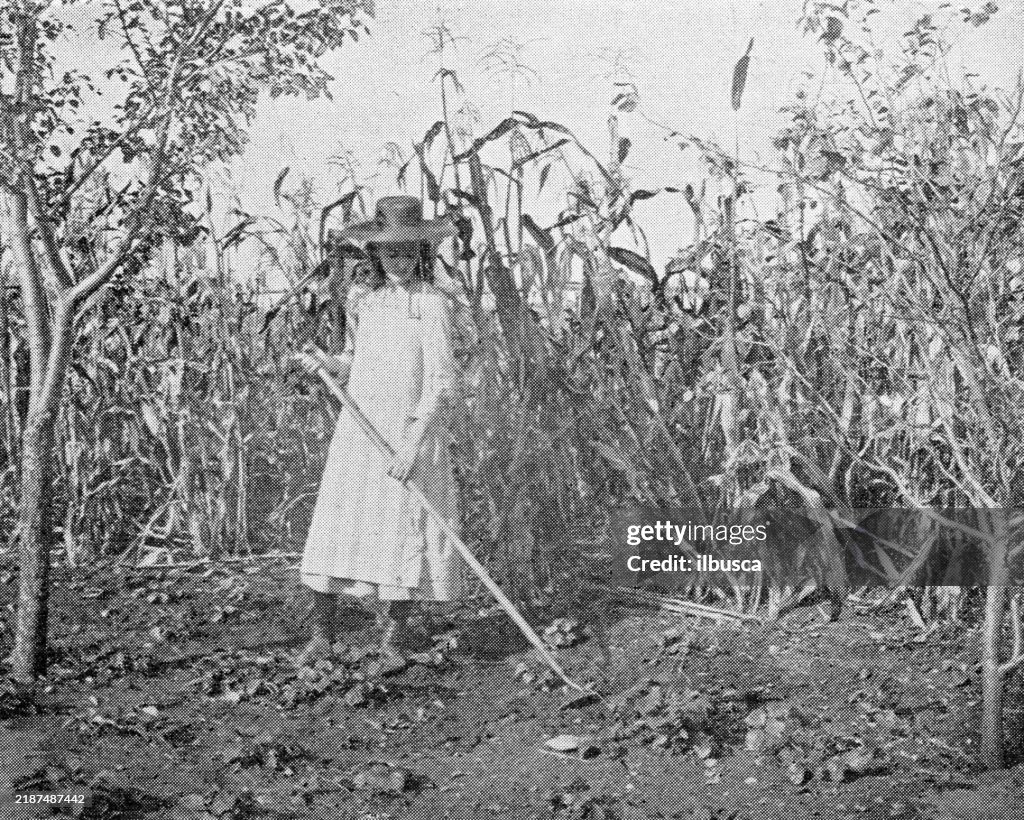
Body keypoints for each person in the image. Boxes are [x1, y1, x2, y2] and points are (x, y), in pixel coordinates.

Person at [295, 195, 466, 666]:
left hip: (406, 432)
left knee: (400, 528)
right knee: (339, 524)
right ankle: (323, 636)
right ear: (374, 254)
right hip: (360, 429)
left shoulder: (433, 305)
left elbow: (442, 383)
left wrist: (415, 444)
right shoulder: (362, 301)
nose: (399, 262)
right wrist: (324, 364)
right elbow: (356, 362)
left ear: (421, 254)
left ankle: (393, 640)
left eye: (408, 252)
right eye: (390, 253)